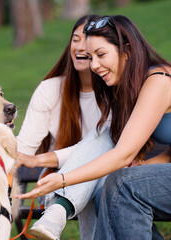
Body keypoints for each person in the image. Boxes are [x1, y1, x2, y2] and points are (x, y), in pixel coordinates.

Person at [17, 15, 171, 240]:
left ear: (127, 51)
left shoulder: (159, 81)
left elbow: (123, 155)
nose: (93, 65)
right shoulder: (132, 90)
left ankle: (61, 208)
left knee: (122, 185)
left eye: (101, 54)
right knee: (108, 190)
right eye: (90, 58)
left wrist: (63, 180)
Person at [16, 15, 113, 240]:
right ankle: (57, 210)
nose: (80, 47)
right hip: (54, 184)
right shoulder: (50, 90)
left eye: (88, 41)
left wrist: (40, 160)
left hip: (107, 178)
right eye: (75, 39)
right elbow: (24, 147)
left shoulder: (115, 91)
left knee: (104, 145)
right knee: (99, 176)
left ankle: (57, 214)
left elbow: (110, 146)